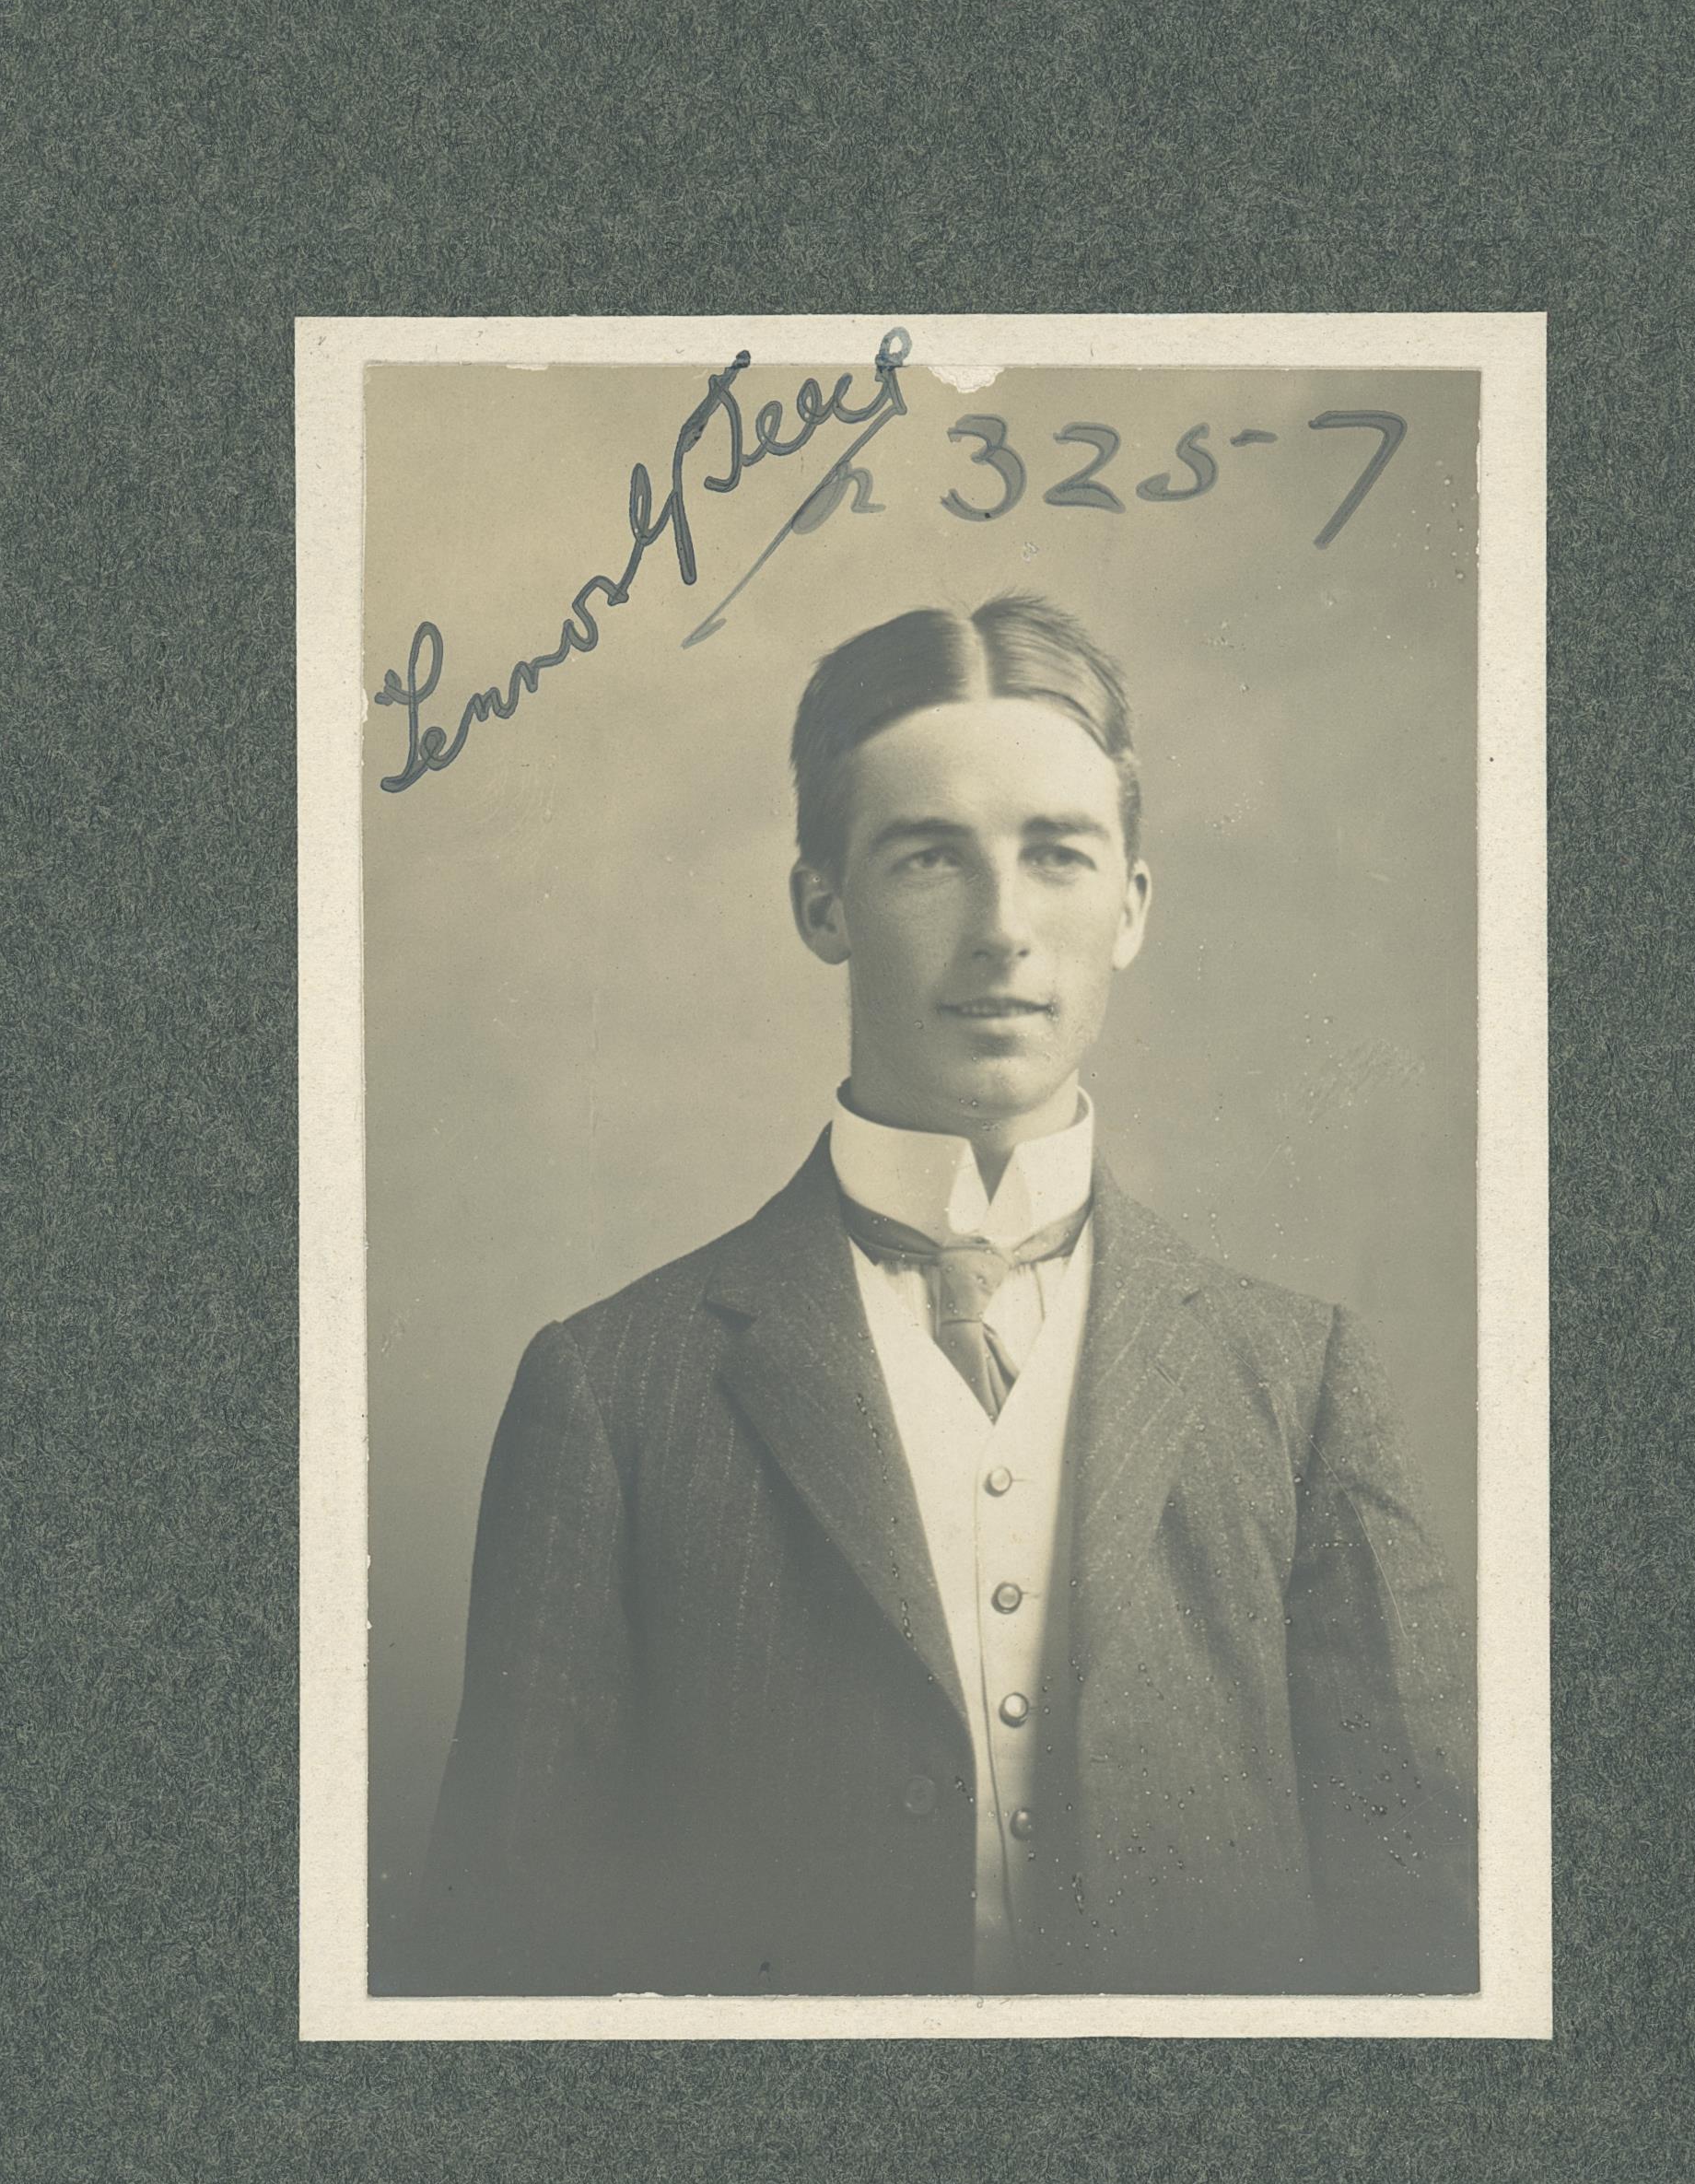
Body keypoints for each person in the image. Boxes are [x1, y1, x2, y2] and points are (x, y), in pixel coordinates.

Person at [414, 594, 1476, 1997]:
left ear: (1132, 907)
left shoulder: (1298, 1376)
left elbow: (1426, 1913)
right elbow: (509, 1953)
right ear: (822, 905)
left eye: (1057, 856)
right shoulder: (613, 1391)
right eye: (929, 859)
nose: (1002, 930)